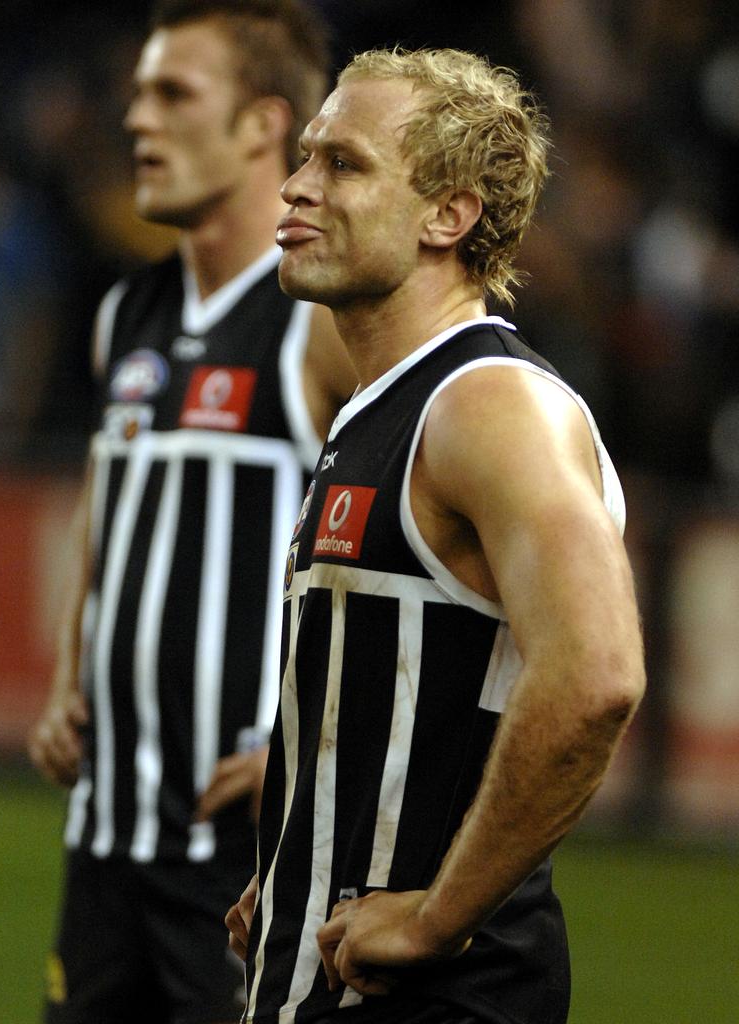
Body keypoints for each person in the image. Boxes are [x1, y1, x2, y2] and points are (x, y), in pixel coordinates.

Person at [226, 47, 646, 1024]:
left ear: (448, 216)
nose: (295, 186)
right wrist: (300, 865)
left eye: (344, 164)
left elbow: (596, 676)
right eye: (304, 156)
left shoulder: (488, 405)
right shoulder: (381, 406)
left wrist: (435, 917)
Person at [28, 2, 355, 1022]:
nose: (136, 119)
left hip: (235, 867)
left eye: (172, 93)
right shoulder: (126, 312)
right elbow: (109, 507)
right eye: (137, 92)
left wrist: (318, 752)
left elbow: (415, 547)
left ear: (264, 124)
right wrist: (62, 674)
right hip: (105, 841)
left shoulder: (320, 322)